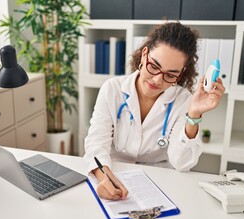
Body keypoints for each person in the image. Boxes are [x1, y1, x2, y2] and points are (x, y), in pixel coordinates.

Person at [83, 21, 225, 200]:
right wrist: (104, 178)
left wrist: (194, 114)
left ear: (180, 75)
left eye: (170, 74)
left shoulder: (183, 101)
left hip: (159, 185)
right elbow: (96, 144)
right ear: (144, 55)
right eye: (154, 66)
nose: (158, 80)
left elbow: (181, 163)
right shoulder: (112, 89)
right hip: (114, 175)